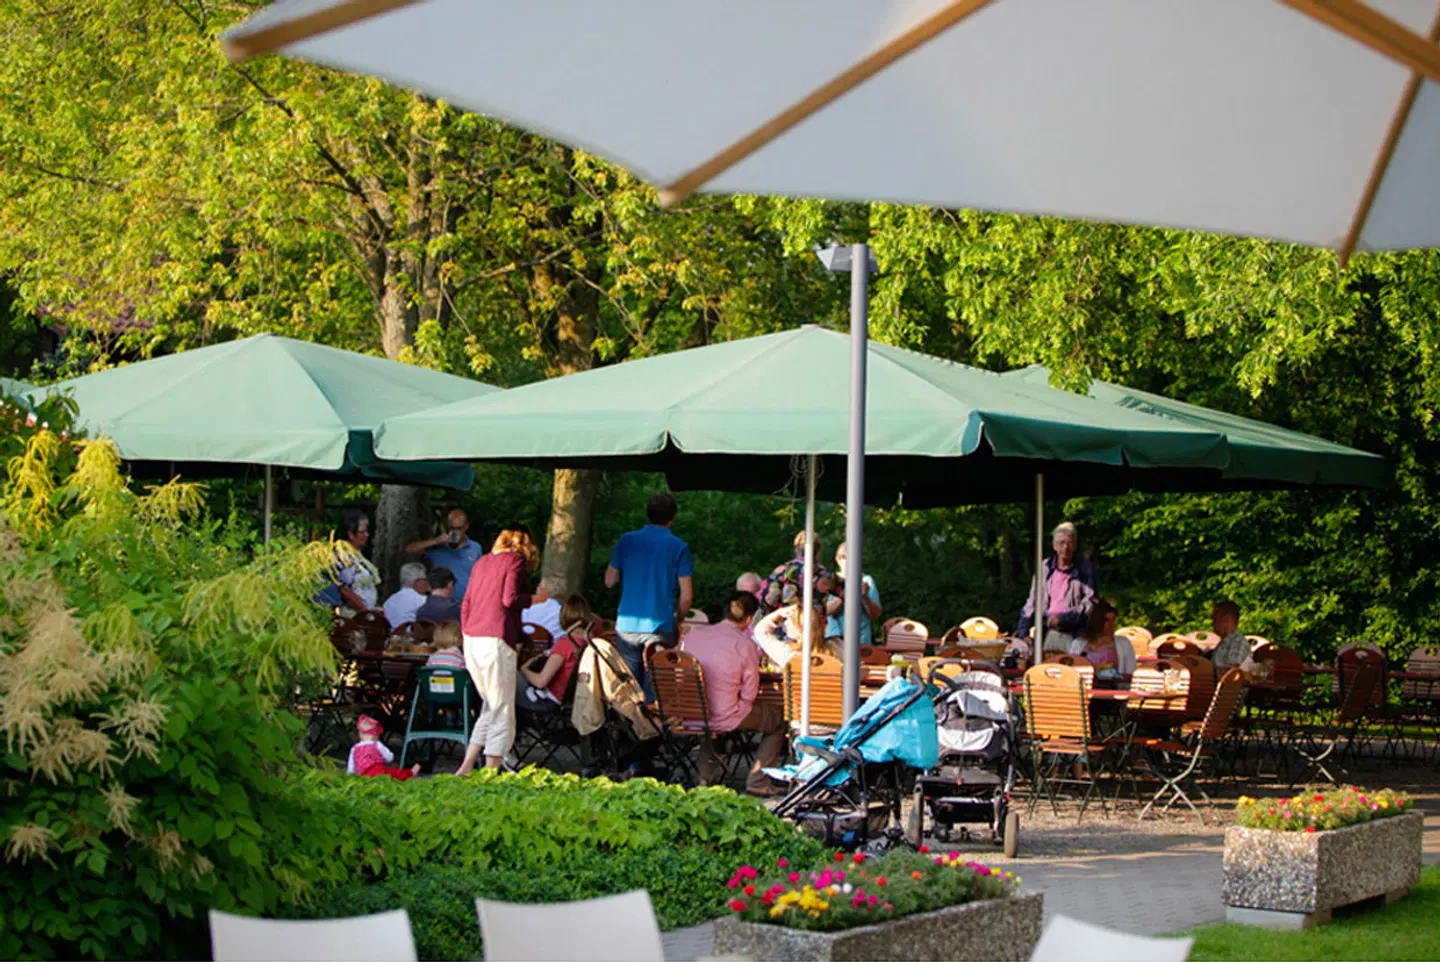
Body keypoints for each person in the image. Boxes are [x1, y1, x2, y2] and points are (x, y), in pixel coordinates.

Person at [455, 524, 548, 775]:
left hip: (472, 638)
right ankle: (491, 769)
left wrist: (466, 633)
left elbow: (466, 604)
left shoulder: (482, 562)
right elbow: (510, 600)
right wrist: (535, 599)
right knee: (502, 707)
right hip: (496, 639)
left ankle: (466, 766)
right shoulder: (515, 561)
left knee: (490, 704)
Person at [681, 592, 787, 795]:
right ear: (749, 619)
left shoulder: (693, 635)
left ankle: (705, 780)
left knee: (710, 715)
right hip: (724, 716)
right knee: (779, 720)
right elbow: (750, 691)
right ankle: (758, 781)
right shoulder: (744, 644)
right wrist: (740, 705)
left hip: (691, 713)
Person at [605, 493, 694, 700]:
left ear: (647, 514)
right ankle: (654, 729)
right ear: (672, 518)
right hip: (660, 626)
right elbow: (686, 595)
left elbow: (609, 581)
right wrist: (678, 619)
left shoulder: (627, 540)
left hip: (627, 625)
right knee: (655, 687)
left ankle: (633, 730)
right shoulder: (679, 547)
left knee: (630, 687)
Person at [1017, 521, 1098, 657]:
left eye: (1069, 543)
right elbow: (1032, 601)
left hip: (1075, 631)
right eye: (1061, 543)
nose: (1065, 547)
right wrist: (1023, 632)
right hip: (1045, 629)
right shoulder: (1045, 567)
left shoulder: (1084, 567)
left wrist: (1063, 619)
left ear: (1075, 545)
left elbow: (1090, 603)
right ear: (1054, 545)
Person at [516, 594, 590, 712]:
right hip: (573, 701)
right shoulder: (589, 644)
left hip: (549, 702)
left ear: (563, 616)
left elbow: (541, 682)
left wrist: (524, 670)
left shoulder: (565, 643)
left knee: (510, 676)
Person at [405, 508, 486, 603]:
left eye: (459, 528)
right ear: (448, 527)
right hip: (442, 604)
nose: (455, 532)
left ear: (466, 527)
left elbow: (480, 576)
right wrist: (435, 541)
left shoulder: (475, 548)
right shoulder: (439, 547)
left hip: (466, 603)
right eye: (452, 528)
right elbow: (409, 549)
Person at [761, 531, 841, 616]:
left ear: (796, 549)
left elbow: (770, 600)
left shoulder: (782, 571)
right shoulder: (828, 575)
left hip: (789, 623)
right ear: (818, 550)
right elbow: (841, 596)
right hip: (816, 624)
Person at [825, 540, 882, 646]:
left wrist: (864, 597)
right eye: (846, 557)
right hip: (835, 641)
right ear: (838, 559)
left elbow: (876, 614)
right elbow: (824, 611)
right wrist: (845, 595)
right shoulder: (829, 580)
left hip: (861, 642)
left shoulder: (866, 580)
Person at [752, 602, 830, 670]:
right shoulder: (834, 648)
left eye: (788, 619)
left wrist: (779, 613)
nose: (785, 623)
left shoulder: (788, 654)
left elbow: (760, 631)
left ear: (799, 629)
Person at [331, 511, 381, 616]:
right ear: (350, 534)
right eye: (362, 532)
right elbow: (345, 589)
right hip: (355, 617)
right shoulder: (344, 556)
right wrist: (364, 613)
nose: (366, 535)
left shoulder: (358, 555)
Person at [1068, 599, 1135, 678]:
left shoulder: (1124, 644)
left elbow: (1131, 672)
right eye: (1107, 620)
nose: (1111, 625)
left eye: (1113, 620)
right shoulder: (1078, 644)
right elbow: (1070, 670)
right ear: (1097, 622)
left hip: (1114, 687)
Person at [348, 715, 420, 780]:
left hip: (362, 776)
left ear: (360, 735)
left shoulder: (354, 748)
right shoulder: (377, 744)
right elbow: (389, 757)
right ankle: (410, 773)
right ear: (375, 736)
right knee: (394, 773)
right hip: (379, 773)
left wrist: (351, 778)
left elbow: (351, 768)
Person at [382, 562, 429, 630]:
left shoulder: (388, 602)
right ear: (417, 582)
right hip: (413, 638)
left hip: (392, 639)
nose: (427, 583)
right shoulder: (423, 601)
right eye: (425, 579)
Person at [521, 574, 566, 640]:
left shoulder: (526, 608)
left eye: (539, 586)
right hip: (552, 649)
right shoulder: (564, 614)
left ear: (541, 589)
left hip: (523, 648)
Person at [1210, 600, 1249, 672]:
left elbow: (1231, 674)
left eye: (1215, 619)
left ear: (1226, 619)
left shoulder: (1238, 642)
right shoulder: (1224, 643)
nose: (1212, 624)